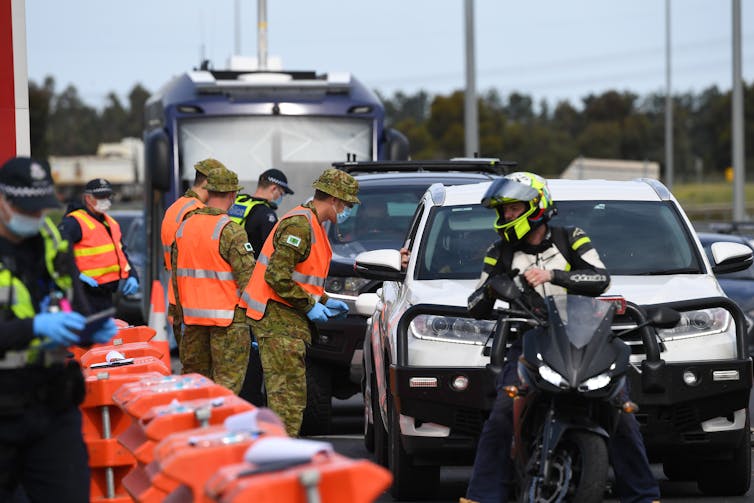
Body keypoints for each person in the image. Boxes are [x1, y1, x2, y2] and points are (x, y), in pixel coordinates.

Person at [462, 172, 660, 503]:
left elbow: (600, 279)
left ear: (536, 207)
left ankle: (643, 495)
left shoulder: (571, 237)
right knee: (502, 413)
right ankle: (482, 496)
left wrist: (554, 275)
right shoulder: (499, 253)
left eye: (513, 208)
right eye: (504, 210)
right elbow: (475, 305)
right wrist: (493, 287)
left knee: (620, 407)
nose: (507, 216)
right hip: (530, 341)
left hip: (584, 340)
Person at [0, 157, 117, 501]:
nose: (35, 218)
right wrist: (35, 326)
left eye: (40, 209)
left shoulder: (50, 240)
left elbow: (73, 301)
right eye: (26, 209)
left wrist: (88, 326)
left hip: (51, 402)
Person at [240, 168, 358, 437]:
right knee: (287, 404)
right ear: (335, 200)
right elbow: (277, 277)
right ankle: (280, 461)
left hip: (286, 325)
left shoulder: (311, 224)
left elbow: (302, 280)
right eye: (347, 205)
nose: (347, 211)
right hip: (280, 325)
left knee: (290, 400)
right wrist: (310, 306)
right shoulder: (300, 225)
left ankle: (280, 456)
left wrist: (325, 300)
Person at [171, 166, 255, 394]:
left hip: (192, 322)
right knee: (225, 391)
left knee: (194, 388)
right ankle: (220, 430)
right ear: (232, 195)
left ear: (208, 193)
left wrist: (180, 321)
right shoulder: (230, 231)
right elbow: (249, 283)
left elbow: (176, 281)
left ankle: (195, 429)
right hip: (228, 325)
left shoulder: (183, 228)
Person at [160, 158, 221, 347]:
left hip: (178, 297)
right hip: (194, 300)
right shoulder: (196, 212)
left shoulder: (177, 207)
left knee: (191, 367)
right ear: (207, 183)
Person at [58, 178, 139, 314]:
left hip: (106, 294)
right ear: (88, 198)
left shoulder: (110, 223)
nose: (105, 200)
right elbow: (59, 252)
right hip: (84, 293)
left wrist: (132, 275)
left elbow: (121, 253)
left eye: (108, 196)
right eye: (100, 197)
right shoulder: (74, 222)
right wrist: (76, 275)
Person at [228, 168, 294, 259]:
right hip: (249, 267)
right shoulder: (266, 214)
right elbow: (272, 250)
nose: (280, 197)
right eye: (281, 193)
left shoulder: (237, 202)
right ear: (274, 188)